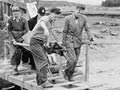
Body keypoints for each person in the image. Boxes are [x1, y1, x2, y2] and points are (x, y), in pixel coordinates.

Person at [30, 7, 61, 87]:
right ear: (51, 13)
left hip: (40, 43)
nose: (55, 18)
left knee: (41, 61)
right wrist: (45, 29)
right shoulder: (45, 18)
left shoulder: (51, 22)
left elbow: (49, 33)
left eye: (57, 17)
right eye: (54, 15)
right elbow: (42, 23)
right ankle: (44, 82)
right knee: (43, 61)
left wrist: (49, 42)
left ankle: (40, 81)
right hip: (35, 42)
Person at [62, 5, 93, 81]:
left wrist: (91, 37)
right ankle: (66, 72)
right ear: (74, 10)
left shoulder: (83, 18)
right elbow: (65, 31)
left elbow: (87, 29)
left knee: (75, 60)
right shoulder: (68, 19)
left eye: (81, 12)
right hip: (69, 40)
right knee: (72, 59)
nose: (79, 13)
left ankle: (70, 76)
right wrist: (63, 44)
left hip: (78, 41)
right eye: (78, 11)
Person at [7, 6, 35, 72]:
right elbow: (9, 31)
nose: (15, 13)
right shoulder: (10, 20)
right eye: (14, 12)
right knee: (15, 53)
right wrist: (12, 39)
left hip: (22, 39)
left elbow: (27, 30)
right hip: (14, 39)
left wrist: (26, 39)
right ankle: (15, 68)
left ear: (20, 12)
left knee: (29, 50)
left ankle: (32, 65)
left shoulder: (24, 20)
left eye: (17, 11)